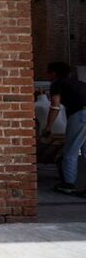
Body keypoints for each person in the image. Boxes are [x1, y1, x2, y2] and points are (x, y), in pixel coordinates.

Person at [43, 62, 86, 194]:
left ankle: (68, 184)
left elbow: (55, 106)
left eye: (48, 72)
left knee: (70, 150)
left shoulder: (57, 84)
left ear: (54, 73)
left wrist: (48, 127)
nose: (47, 75)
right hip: (82, 113)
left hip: (80, 114)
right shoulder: (79, 83)